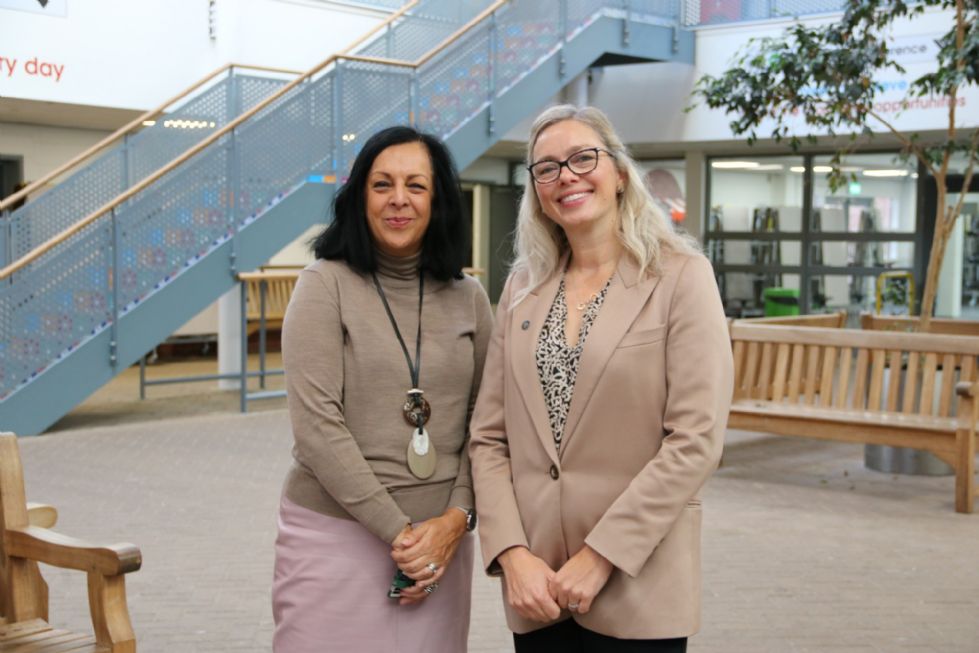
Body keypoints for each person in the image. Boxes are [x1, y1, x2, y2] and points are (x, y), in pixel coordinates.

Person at [469, 105, 733, 652]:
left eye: (582, 158)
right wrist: (511, 554)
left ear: (618, 173)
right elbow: (489, 438)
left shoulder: (680, 277)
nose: (565, 176)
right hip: (538, 590)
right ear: (536, 190)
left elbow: (694, 440)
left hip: (639, 584)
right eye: (546, 167)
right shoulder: (522, 287)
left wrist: (601, 556)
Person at [272, 125, 492, 652]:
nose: (399, 199)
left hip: (441, 545)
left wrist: (454, 522)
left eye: (416, 186)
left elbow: (487, 426)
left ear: (437, 201)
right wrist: (405, 537)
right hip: (336, 538)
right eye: (382, 184)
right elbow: (317, 430)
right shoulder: (324, 286)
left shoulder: (470, 298)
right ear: (358, 197)